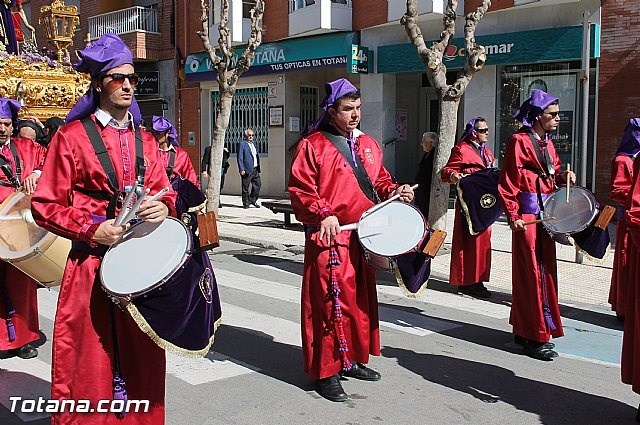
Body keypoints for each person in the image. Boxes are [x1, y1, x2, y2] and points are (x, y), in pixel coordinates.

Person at [31, 34, 176, 424]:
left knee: (142, 357)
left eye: (131, 77)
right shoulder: (71, 138)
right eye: (117, 77)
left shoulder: (146, 140)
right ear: (98, 83)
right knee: (88, 358)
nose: (128, 84)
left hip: (139, 267)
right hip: (90, 267)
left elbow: (167, 192)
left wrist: (163, 206)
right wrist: (89, 229)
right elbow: (45, 205)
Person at [288, 78, 414, 402]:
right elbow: (301, 189)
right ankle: (326, 372)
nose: (355, 114)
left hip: (364, 236)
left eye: (358, 108)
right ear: (332, 111)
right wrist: (323, 212)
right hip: (330, 236)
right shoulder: (312, 145)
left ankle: (351, 360)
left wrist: (395, 191)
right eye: (348, 109)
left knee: (358, 302)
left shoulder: (369, 144)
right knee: (329, 304)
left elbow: (380, 181)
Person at [498, 89, 575, 361]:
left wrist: (565, 175)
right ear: (537, 116)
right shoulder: (519, 141)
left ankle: (526, 328)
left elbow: (552, 173)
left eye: (557, 114)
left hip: (548, 212)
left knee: (544, 270)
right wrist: (513, 214)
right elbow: (508, 181)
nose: (557, 118)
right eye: (552, 114)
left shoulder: (548, 142)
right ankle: (533, 335)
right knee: (531, 272)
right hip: (528, 213)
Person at [0, 97, 45, 360]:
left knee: (22, 285)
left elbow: (50, 159)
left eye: (6, 124)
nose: (2, 129)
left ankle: (25, 339)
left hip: (20, 229)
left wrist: (36, 174)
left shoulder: (27, 147)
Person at [441, 118, 494, 298]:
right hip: (468, 204)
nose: (486, 132)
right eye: (483, 130)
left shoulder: (487, 152)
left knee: (483, 244)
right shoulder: (461, 149)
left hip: (485, 204)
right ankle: (466, 282)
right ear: (473, 132)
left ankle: (479, 280)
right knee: (468, 244)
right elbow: (446, 172)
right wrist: (454, 175)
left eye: (487, 129)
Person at [609, 119, 640, 322]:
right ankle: (624, 308)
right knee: (625, 262)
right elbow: (617, 190)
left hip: (634, 217)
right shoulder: (623, 160)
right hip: (628, 220)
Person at [150, 115, 199, 187]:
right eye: (152, 133)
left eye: (158, 133)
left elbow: (191, 179)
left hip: (174, 195)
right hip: (151, 195)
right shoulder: (148, 152)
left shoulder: (181, 155)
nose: (154, 136)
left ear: (167, 133)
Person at [414, 131, 437, 219]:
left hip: (427, 190)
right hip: (422, 189)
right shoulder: (427, 154)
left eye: (423, 141)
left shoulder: (433, 155)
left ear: (430, 143)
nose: (421, 144)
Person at [237, 128, 261, 208]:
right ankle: (246, 203)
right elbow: (240, 157)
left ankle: (253, 200)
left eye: (252, 135)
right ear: (245, 136)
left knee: (258, 184)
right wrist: (241, 168)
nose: (251, 137)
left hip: (255, 169)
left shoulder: (254, 144)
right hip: (246, 169)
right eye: (249, 135)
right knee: (245, 187)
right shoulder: (242, 144)